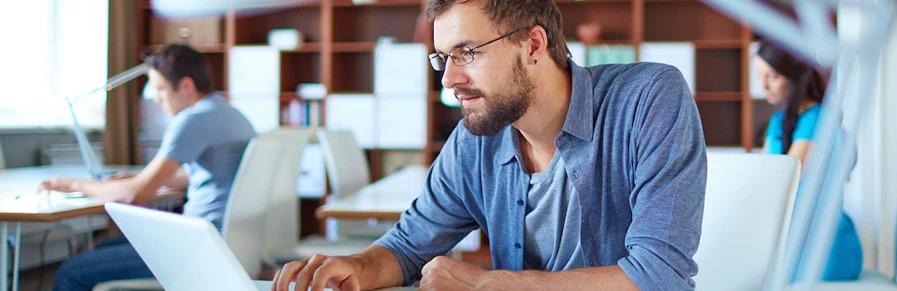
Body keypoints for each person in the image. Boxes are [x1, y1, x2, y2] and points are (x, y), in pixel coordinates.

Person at [273, 0, 707, 290]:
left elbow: (660, 274)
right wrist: (357, 267)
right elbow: (408, 248)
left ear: (533, 44)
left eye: (468, 53)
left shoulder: (648, 98)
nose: (448, 79)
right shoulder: (474, 141)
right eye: (443, 58)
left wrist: (488, 284)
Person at [41, 44, 257, 290]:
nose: (156, 98)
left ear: (186, 85)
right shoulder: (230, 114)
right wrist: (145, 177)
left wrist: (74, 184)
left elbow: (136, 194)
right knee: (104, 247)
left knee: (71, 271)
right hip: (229, 240)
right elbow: (200, 174)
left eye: (160, 89)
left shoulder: (193, 119)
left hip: (198, 246)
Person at [754, 39, 863, 280]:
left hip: (823, 250)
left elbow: (787, 179)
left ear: (794, 77)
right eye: (759, 76)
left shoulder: (817, 118)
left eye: (772, 76)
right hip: (796, 243)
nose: (763, 86)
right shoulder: (779, 122)